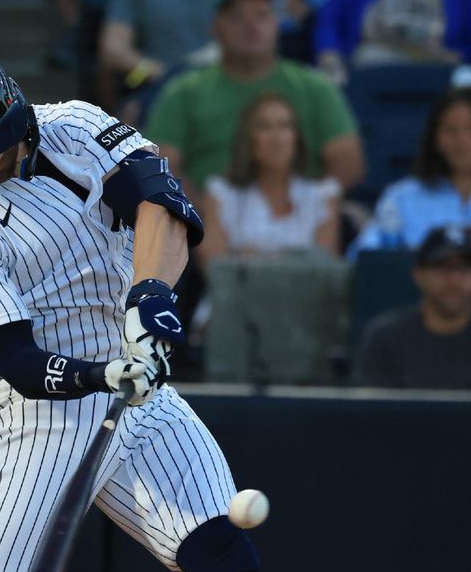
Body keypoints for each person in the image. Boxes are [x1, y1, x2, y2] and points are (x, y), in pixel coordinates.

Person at [0, 45, 268, 572]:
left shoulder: (76, 126)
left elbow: (159, 202)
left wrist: (149, 299)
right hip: (40, 418)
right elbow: (17, 361)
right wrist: (97, 376)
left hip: (138, 380)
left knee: (220, 548)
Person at [144, 0, 364, 202]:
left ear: (277, 24)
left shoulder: (314, 86)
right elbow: (161, 164)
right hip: (202, 218)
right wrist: (198, 215)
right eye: (236, 17)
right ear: (214, 28)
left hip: (305, 216)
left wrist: (308, 210)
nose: (251, 25)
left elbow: (348, 160)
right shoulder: (184, 91)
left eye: (262, 14)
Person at [201, 92, 341, 266]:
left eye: (286, 126)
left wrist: (249, 255)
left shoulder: (323, 196)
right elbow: (215, 267)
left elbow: (323, 270)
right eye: (265, 127)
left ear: (297, 138)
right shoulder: (222, 194)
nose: (277, 138)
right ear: (248, 140)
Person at [349, 87, 471, 257]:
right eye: (451, 130)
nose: (462, 140)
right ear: (435, 138)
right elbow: (365, 258)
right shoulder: (401, 198)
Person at [354, 225, 471, 389]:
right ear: (418, 274)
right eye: (442, 267)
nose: (454, 279)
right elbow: (372, 403)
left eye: (464, 268)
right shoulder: (386, 337)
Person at [315, 0, 471, 86]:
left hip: (439, 71)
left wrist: (458, 56)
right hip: (371, 70)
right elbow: (329, 20)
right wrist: (329, 54)